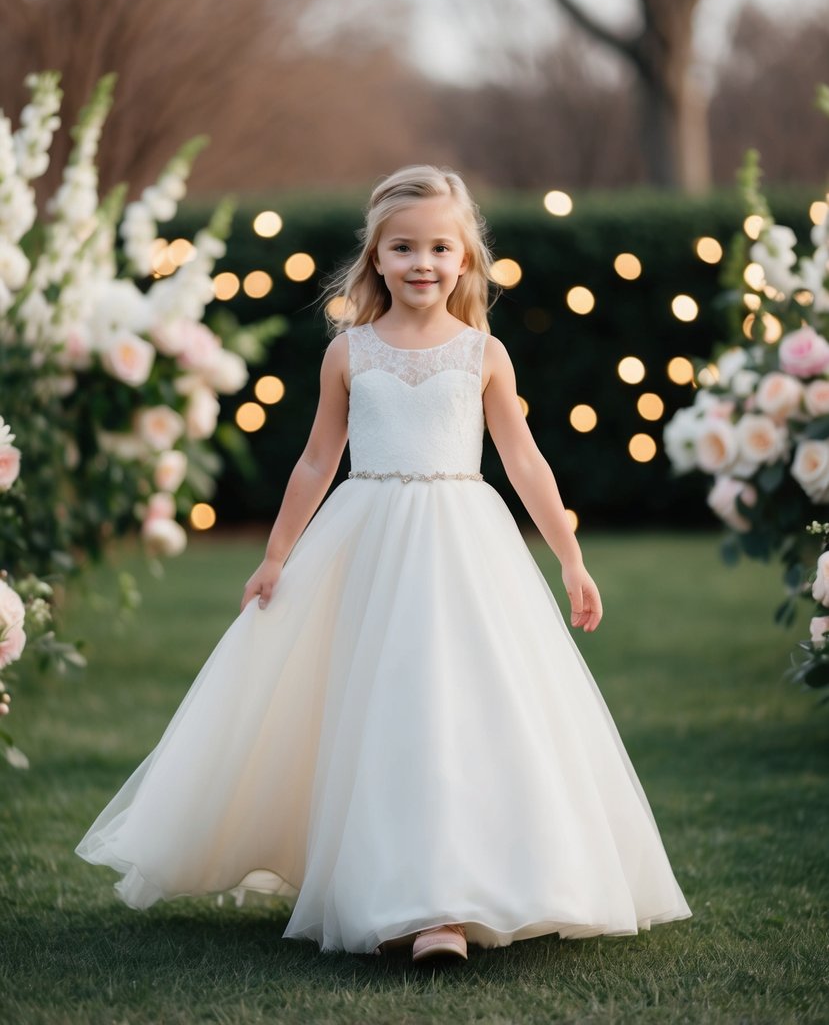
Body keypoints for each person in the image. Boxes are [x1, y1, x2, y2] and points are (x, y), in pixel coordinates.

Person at [76, 164, 691, 962]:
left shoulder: (483, 355)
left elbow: (526, 462)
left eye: (440, 247)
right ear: (375, 259)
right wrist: (274, 556)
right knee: (381, 710)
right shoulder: (348, 353)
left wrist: (569, 560)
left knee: (460, 708)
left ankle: (454, 902)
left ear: (465, 259)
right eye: (403, 248)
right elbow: (313, 462)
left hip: (464, 547)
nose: (422, 263)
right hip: (365, 544)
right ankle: (396, 891)